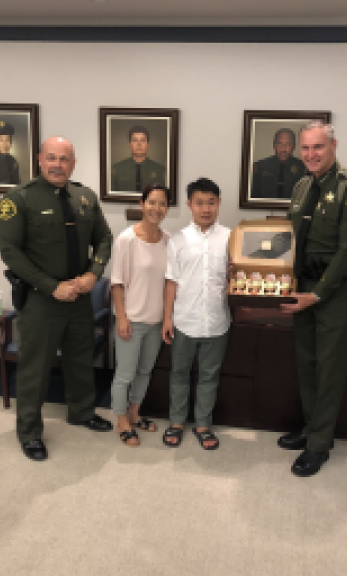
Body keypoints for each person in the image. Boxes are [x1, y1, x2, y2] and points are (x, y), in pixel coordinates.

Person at [0, 136, 113, 461]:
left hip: (79, 295)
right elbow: (10, 252)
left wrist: (92, 275)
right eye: (52, 158)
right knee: (36, 368)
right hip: (41, 299)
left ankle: (82, 412)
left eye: (64, 159)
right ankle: (30, 432)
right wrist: (50, 286)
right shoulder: (18, 199)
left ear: (73, 163)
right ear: (39, 160)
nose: (58, 164)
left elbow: (104, 238)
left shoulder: (85, 197)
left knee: (80, 357)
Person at [279, 121, 347, 477]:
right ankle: (311, 428)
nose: (310, 155)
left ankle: (319, 445)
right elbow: (291, 238)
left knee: (330, 369)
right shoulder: (302, 186)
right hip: (303, 286)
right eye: (305, 148)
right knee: (307, 363)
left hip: (335, 292)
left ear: (334, 146)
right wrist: (284, 281)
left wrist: (317, 294)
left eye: (317, 147)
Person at [162, 177, 230, 450]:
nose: (206, 208)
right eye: (200, 202)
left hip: (217, 321)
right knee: (179, 373)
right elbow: (171, 281)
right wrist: (167, 318)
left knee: (209, 376)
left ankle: (203, 424)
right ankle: (177, 422)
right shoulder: (177, 240)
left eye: (211, 202)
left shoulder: (230, 237)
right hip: (184, 321)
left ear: (219, 204)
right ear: (190, 205)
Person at [110, 182, 170, 446]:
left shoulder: (169, 240)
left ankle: (135, 413)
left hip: (156, 321)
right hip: (131, 320)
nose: (156, 208)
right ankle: (121, 419)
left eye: (162, 203)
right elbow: (116, 282)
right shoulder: (127, 239)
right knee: (125, 374)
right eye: (152, 202)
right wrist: (121, 316)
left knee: (145, 371)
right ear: (142, 204)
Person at [250, 128, 306, 199]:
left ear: (293, 146)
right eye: (279, 144)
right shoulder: (259, 167)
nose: (283, 149)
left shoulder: (303, 168)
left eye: (288, 144)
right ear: (274, 145)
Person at [111, 126, 165, 192]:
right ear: (130, 145)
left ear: (148, 145)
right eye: (135, 140)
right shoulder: (117, 170)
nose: (139, 144)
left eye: (142, 140)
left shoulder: (160, 171)